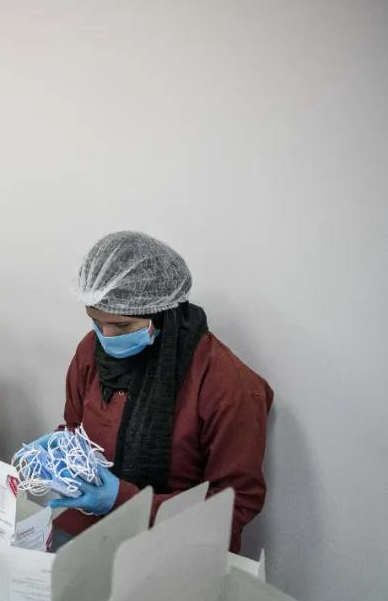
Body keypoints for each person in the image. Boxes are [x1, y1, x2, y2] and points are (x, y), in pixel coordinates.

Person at [35, 231, 271, 552]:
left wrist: (124, 500)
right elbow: (77, 428)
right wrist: (61, 452)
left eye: (122, 326)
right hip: (91, 531)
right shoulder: (92, 351)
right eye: (95, 320)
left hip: (177, 549)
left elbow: (235, 503)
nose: (106, 336)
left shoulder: (227, 385)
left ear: (162, 314)